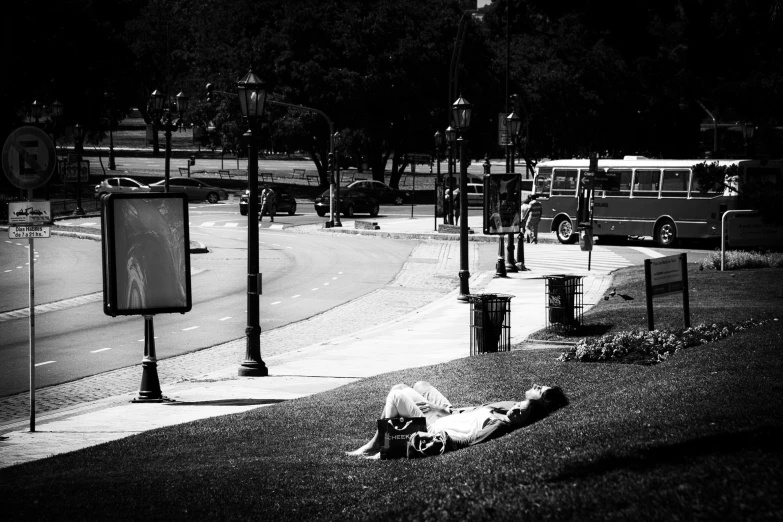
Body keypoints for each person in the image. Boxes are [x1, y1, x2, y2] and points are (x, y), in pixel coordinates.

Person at [346, 381, 568, 459]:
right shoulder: (510, 410)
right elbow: (475, 414)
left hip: (440, 425)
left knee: (396, 393)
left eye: (540, 389)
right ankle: (381, 441)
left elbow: (469, 438)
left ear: (541, 402)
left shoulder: (506, 420)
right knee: (411, 388)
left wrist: (440, 421)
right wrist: (443, 409)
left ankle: (376, 444)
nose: (536, 386)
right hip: (450, 417)